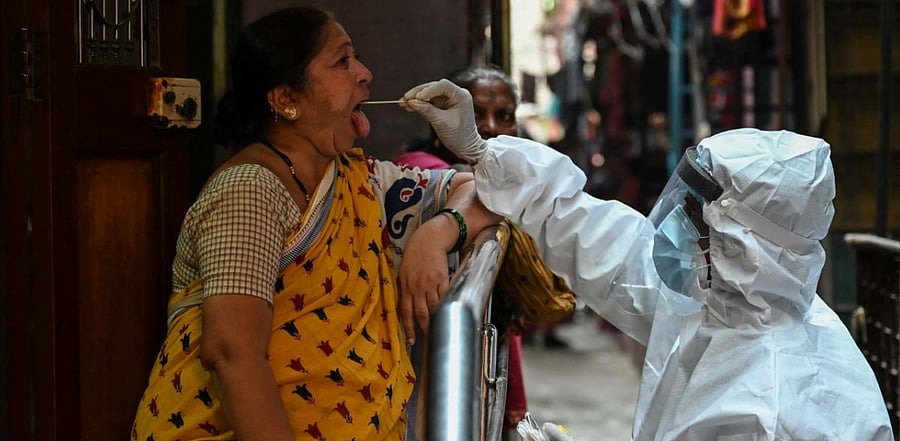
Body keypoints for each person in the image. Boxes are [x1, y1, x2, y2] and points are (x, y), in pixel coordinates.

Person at [399, 79, 893, 440]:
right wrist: (482, 153)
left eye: (695, 216)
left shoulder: (774, 404)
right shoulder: (730, 303)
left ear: (744, 243)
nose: (674, 227)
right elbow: (601, 241)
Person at [129, 9, 501, 441]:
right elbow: (233, 354)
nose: (365, 74)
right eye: (343, 61)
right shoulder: (250, 191)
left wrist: (438, 233)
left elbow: (486, 190)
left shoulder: (358, 180)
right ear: (287, 99)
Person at [395, 65, 534, 437]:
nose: (490, 126)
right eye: (475, 117)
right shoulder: (416, 177)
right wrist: (438, 232)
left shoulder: (512, 183)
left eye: (504, 116)